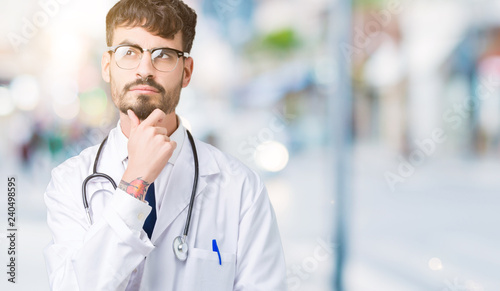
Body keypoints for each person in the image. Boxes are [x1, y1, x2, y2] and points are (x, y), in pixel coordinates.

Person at [43, 0, 287, 290]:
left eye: (163, 55)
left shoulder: (242, 189)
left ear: (186, 71)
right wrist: (135, 183)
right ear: (107, 67)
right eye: (129, 52)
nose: (145, 69)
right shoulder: (69, 181)